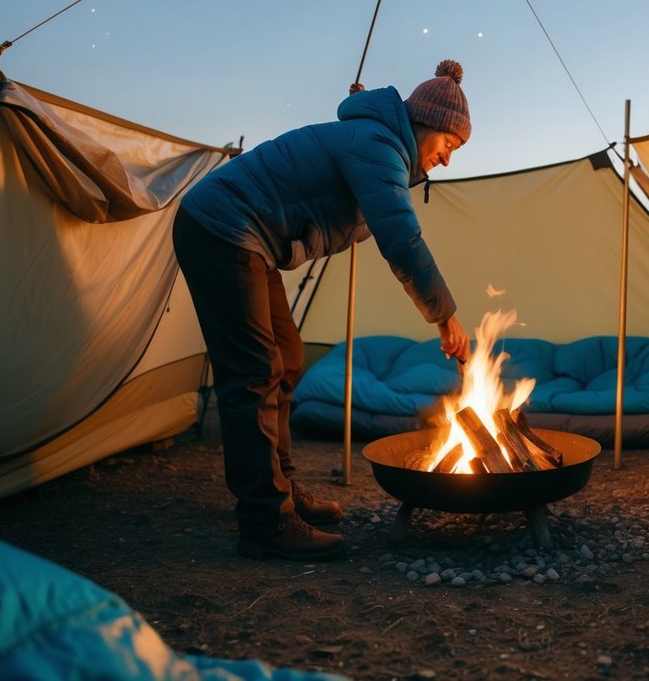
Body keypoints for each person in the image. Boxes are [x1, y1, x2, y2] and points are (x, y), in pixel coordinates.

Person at [172, 59, 473, 560]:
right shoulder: (378, 148)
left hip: (251, 240)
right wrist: (445, 315)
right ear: (428, 124)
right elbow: (400, 235)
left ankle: (281, 494)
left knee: (287, 359)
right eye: (449, 145)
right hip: (222, 228)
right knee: (252, 373)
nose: (446, 160)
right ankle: (267, 522)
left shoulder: (375, 142)